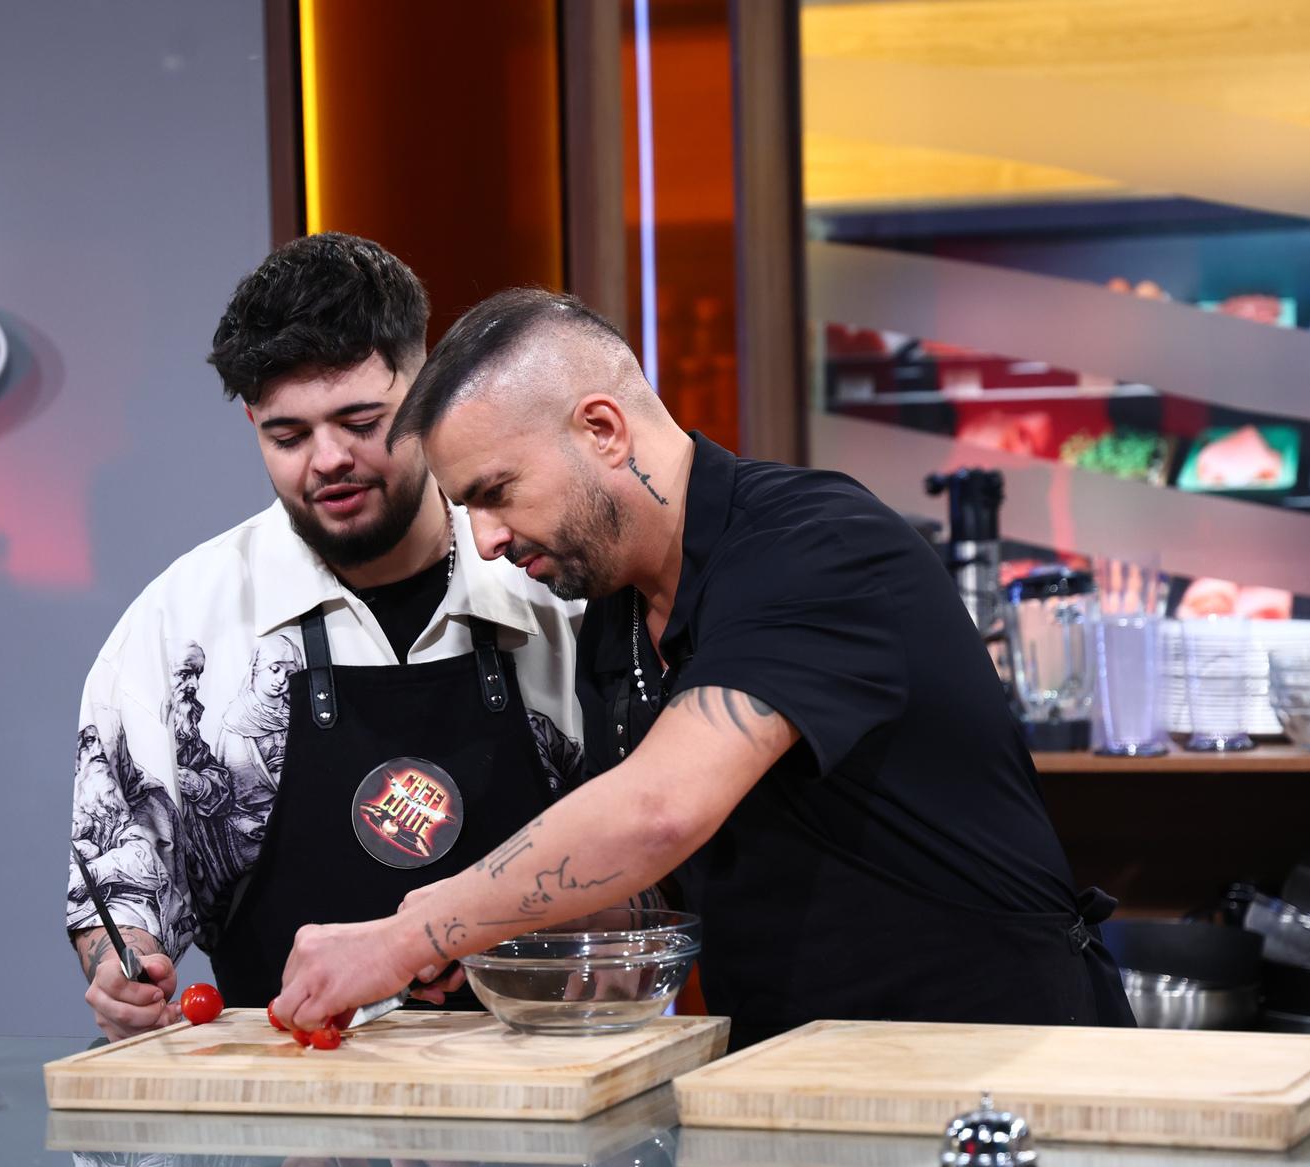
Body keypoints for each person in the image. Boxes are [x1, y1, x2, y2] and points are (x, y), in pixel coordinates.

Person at [269, 288, 1135, 1048]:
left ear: (602, 430)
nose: (487, 540)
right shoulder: (613, 616)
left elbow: (659, 810)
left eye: (496, 492)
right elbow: (647, 885)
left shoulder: (814, 545)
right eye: (468, 509)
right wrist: (488, 930)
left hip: (994, 1062)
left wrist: (412, 933)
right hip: (793, 1077)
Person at [65, 238, 589, 1041]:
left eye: (362, 422)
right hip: (290, 1092)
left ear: (427, 391)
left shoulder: (551, 589)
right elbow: (122, 880)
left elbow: (647, 871)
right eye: (289, 436)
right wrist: (122, 968)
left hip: (548, 1079)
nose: (330, 460)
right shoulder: (181, 627)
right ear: (253, 423)